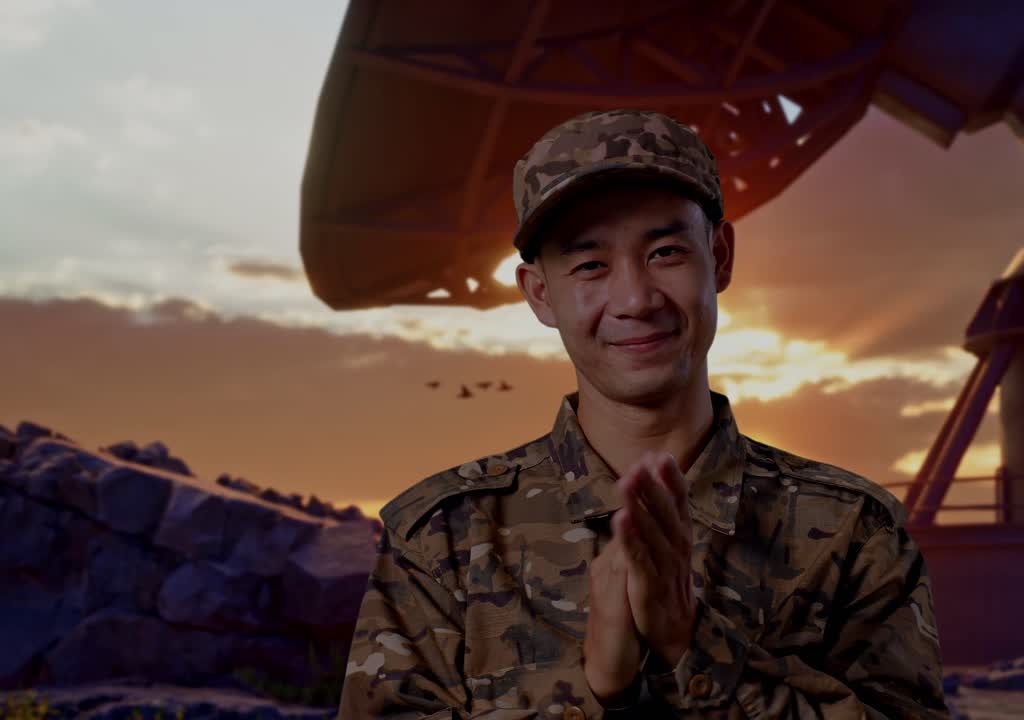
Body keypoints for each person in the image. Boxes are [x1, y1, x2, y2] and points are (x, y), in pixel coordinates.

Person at [337, 109, 949, 719]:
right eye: (590, 265)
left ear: (721, 255)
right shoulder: (443, 540)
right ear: (540, 293)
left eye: (665, 252)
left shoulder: (851, 533)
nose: (634, 299)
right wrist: (597, 692)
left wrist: (694, 647)